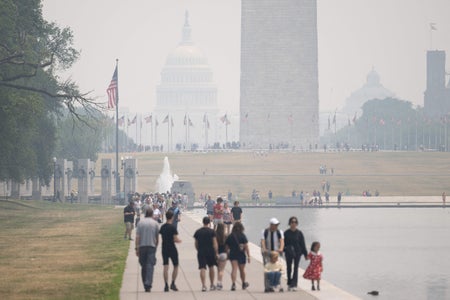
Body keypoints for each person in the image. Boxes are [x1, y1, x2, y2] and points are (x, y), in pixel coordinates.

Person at [135, 208, 159, 292]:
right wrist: (156, 247)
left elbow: (137, 237)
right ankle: (148, 283)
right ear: (152, 214)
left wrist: (137, 248)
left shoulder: (140, 223)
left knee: (143, 265)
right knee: (150, 266)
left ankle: (145, 282)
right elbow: (157, 238)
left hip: (142, 247)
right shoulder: (155, 223)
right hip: (151, 246)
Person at [193, 217, 219, 292]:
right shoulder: (212, 232)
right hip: (210, 251)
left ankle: (204, 286)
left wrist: (198, 250)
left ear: (203, 222)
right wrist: (216, 253)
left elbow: (196, 243)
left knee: (202, 268)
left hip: (201, 251)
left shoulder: (198, 232)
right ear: (209, 223)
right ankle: (211, 285)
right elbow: (215, 243)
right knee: (211, 267)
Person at [159, 210, 182, 292]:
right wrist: (179, 241)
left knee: (166, 266)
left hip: (164, 247)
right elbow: (175, 239)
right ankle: (172, 283)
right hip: (172, 247)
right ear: (172, 217)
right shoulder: (173, 227)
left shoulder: (163, 227)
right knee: (175, 265)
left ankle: (166, 285)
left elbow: (161, 236)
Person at [284, 216, 308, 291]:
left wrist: (305, 254)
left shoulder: (299, 233)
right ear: (289, 223)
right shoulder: (286, 233)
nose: (293, 224)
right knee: (289, 268)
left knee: (296, 268)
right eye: (292, 222)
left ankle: (294, 284)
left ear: (297, 223)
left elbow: (303, 244)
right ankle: (289, 283)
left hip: (298, 252)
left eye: (295, 222)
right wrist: (283, 250)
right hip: (288, 252)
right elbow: (283, 243)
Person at [225, 222, 250, 291]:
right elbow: (246, 246)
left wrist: (227, 254)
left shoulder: (230, 236)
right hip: (241, 254)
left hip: (233, 254)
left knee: (234, 269)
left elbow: (226, 247)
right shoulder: (242, 235)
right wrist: (249, 256)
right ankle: (243, 283)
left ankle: (233, 284)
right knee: (242, 270)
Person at [215, 222, 228, 290]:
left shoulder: (215, 235)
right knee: (221, 270)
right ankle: (219, 283)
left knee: (218, 269)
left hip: (217, 254)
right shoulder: (225, 236)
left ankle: (218, 281)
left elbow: (214, 245)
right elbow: (227, 247)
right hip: (223, 254)